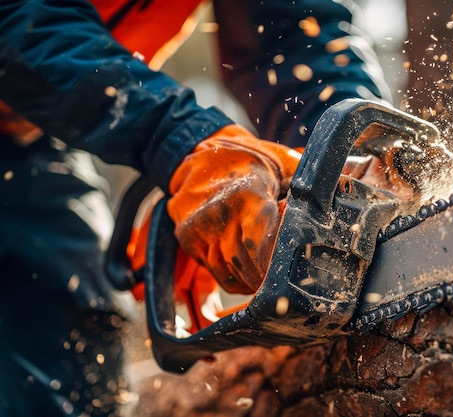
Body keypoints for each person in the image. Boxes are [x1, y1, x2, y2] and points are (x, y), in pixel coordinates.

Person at [0, 0, 401, 416]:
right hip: (30, 83)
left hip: (30, 131)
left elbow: (293, 32)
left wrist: (346, 150)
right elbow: (18, 18)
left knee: (71, 323)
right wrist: (179, 141)